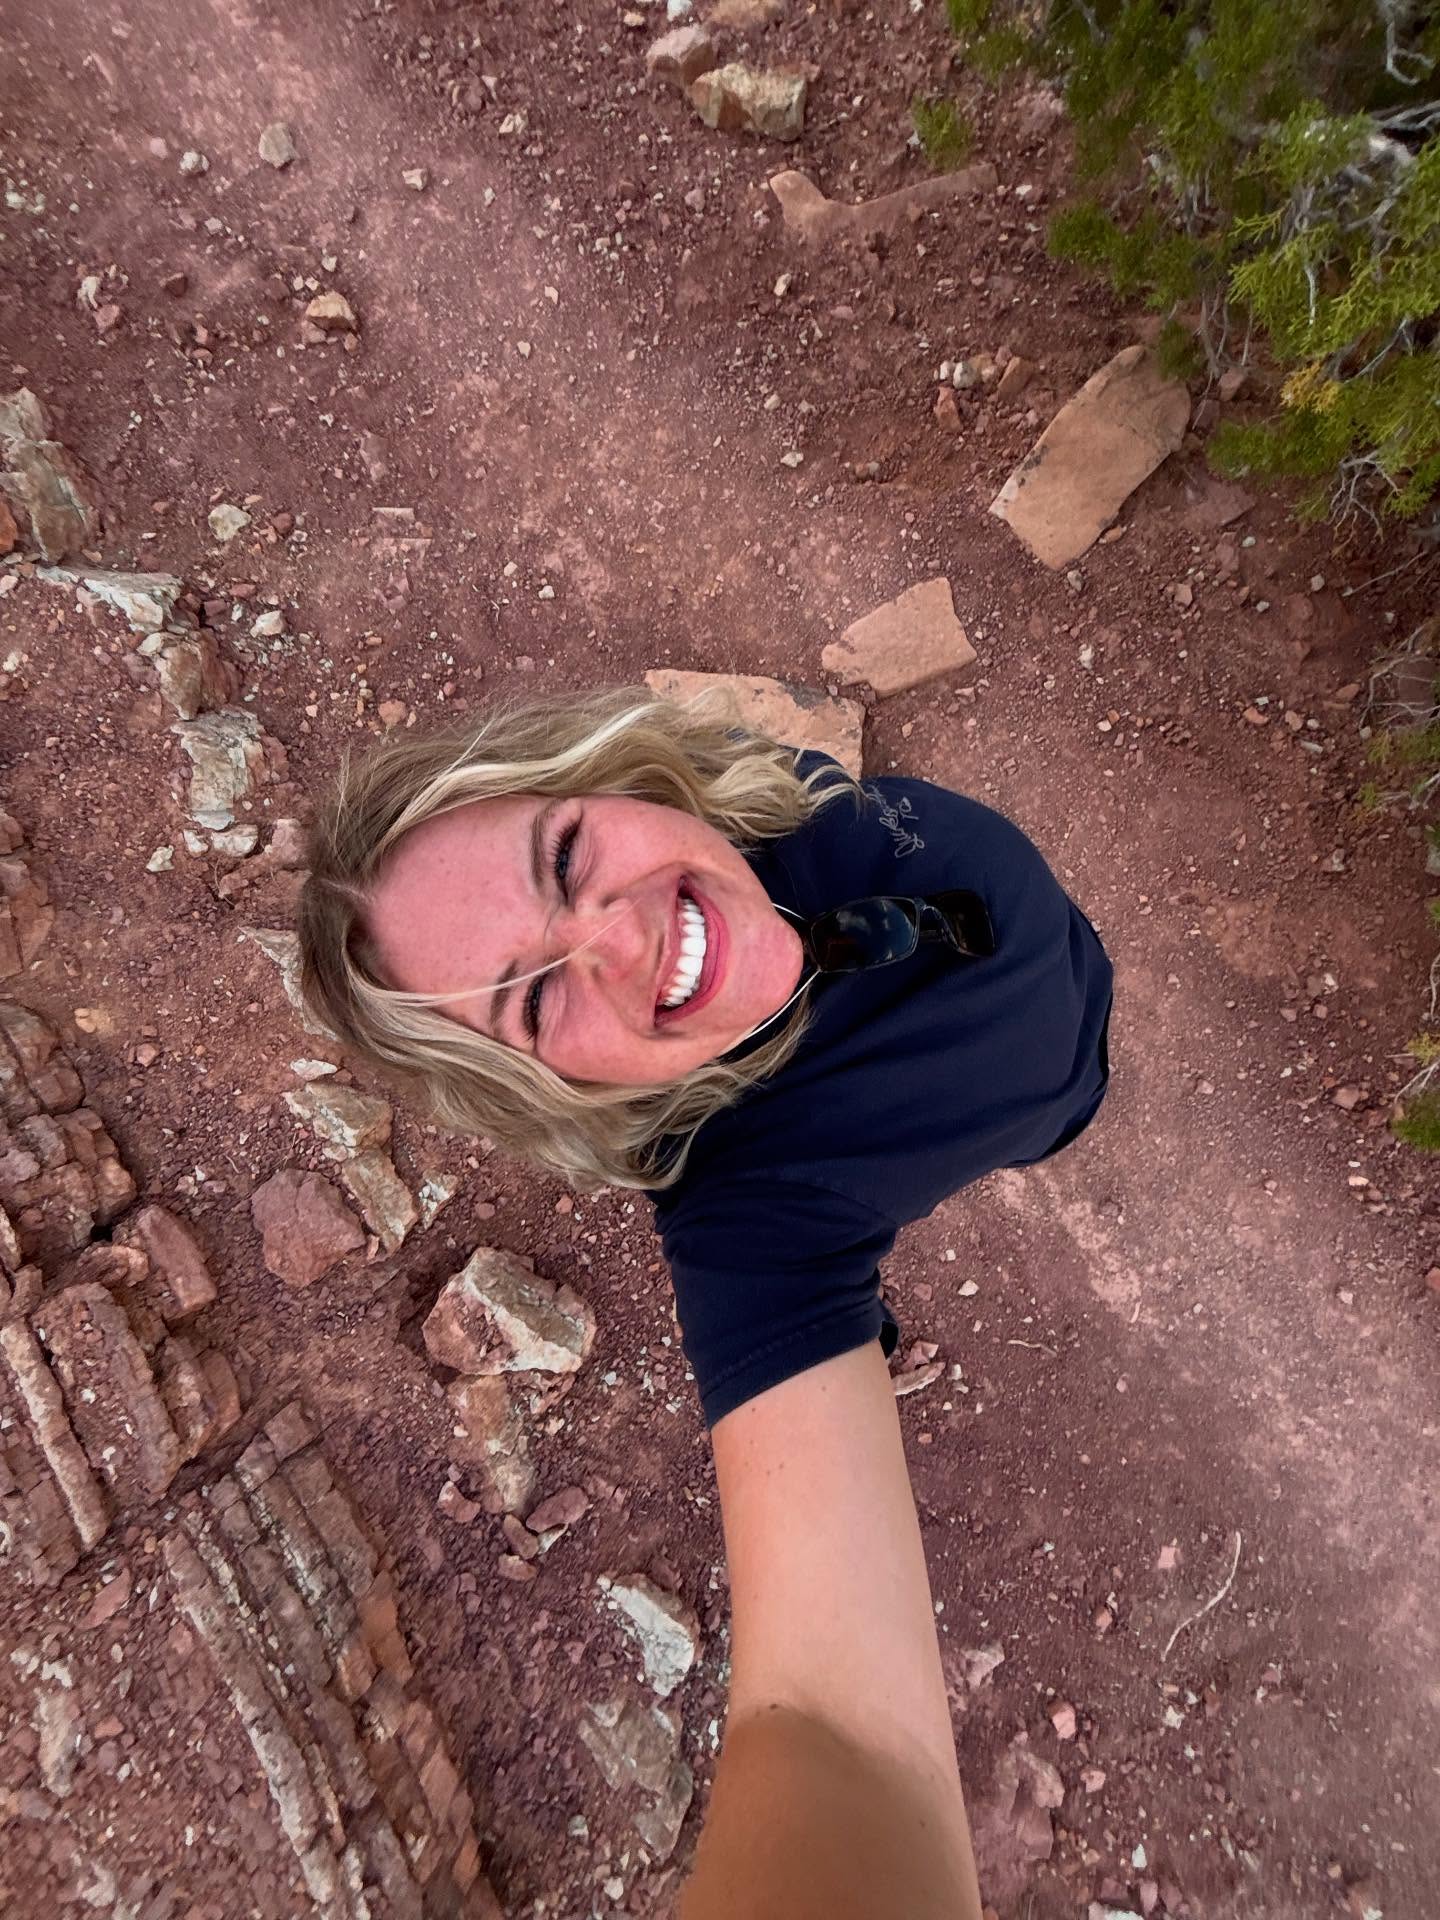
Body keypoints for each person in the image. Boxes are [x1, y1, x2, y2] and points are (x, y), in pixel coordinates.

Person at [298, 686, 1112, 1917]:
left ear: (614, 781)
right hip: (1057, 1098)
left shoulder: (749, 792)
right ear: (547, 1090)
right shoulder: (748, 1223)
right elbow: (831, 1727)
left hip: (1071, 968)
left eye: (568, 855)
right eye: (537, 1000)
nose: (626, 936)